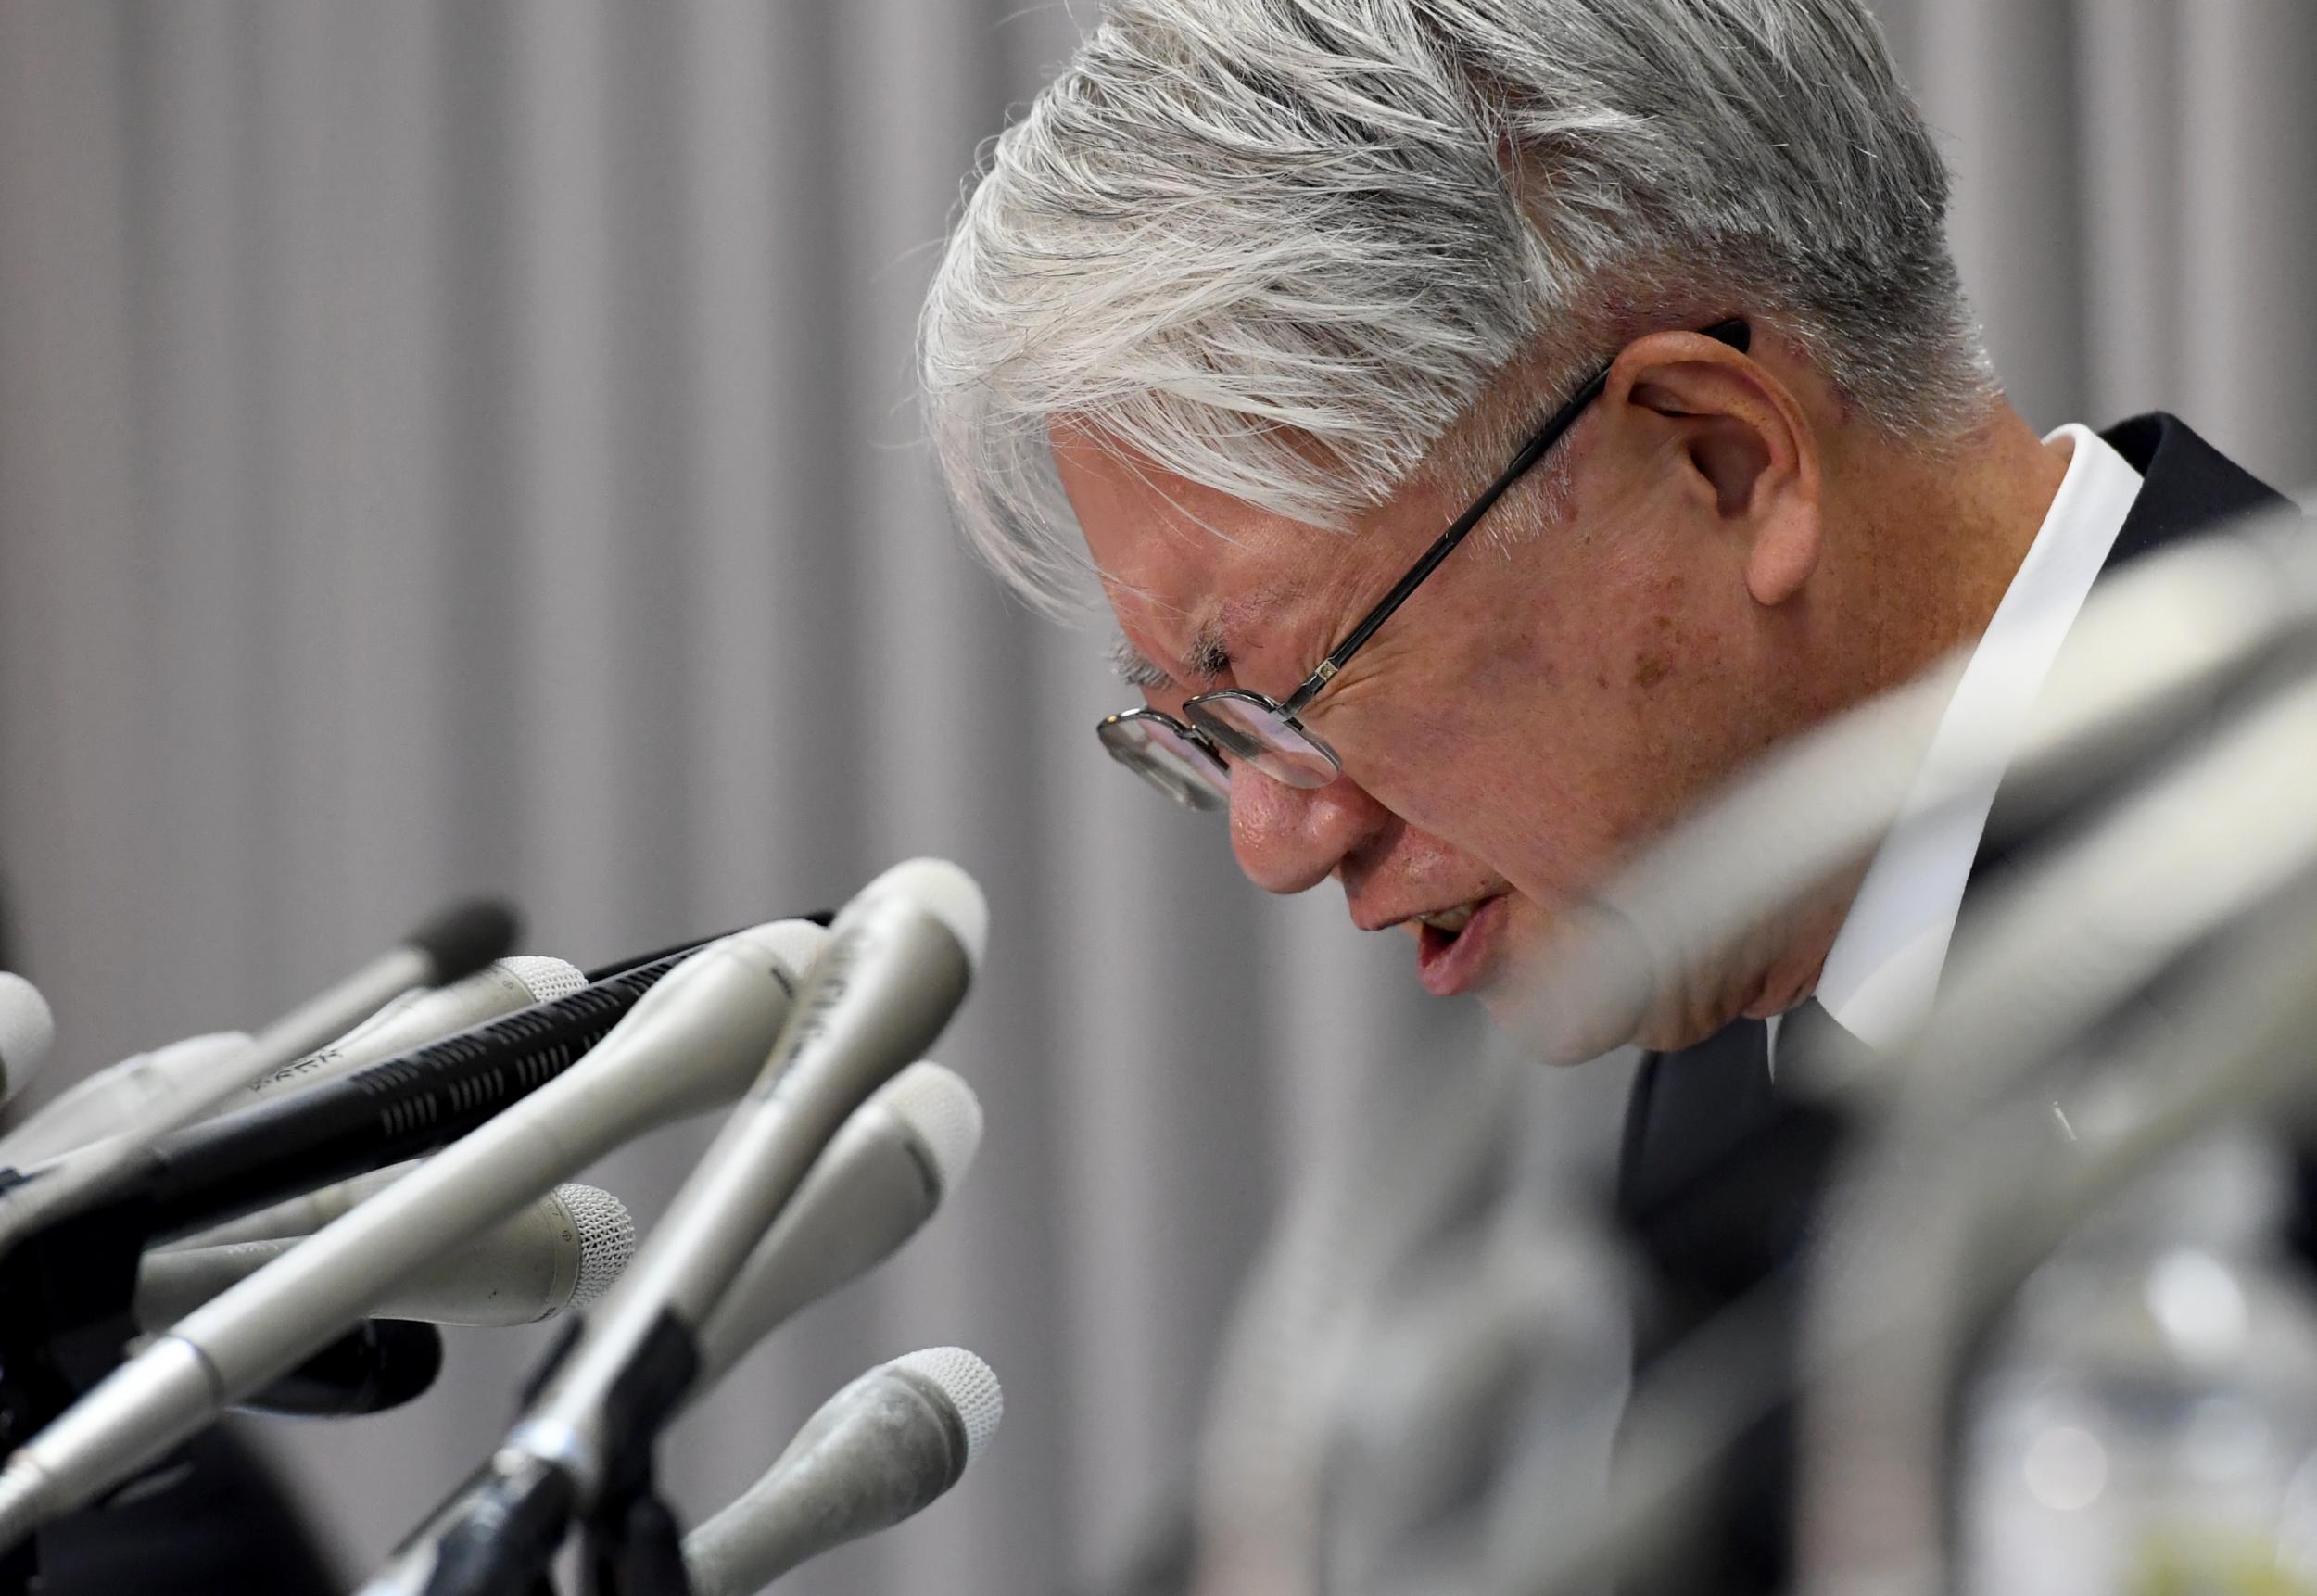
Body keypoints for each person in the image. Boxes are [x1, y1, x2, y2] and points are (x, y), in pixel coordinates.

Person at [918, 1, 2298, 1590]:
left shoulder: (2275, 902)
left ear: (1720, 459)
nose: (1278, 838)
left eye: (1288, 690)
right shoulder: (1744, 1037)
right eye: (1201, 734)